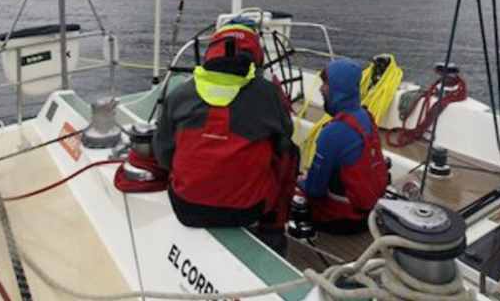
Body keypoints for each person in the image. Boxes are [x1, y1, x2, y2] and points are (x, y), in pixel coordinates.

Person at [154, 21, 297, 239]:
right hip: (248, 211)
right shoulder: (269, 95)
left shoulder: (179, 94)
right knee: (290, 152)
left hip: (186, 207)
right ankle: (274, 227)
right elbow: (285, 137)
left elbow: (163, 154)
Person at [301, 58, 389, 234]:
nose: (321, 88)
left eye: (325, 83)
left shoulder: (333, 132)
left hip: (341, 220)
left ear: (337, 88)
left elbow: (314, 190)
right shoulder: (366, 117)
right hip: (368, 213)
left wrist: (298, 180)